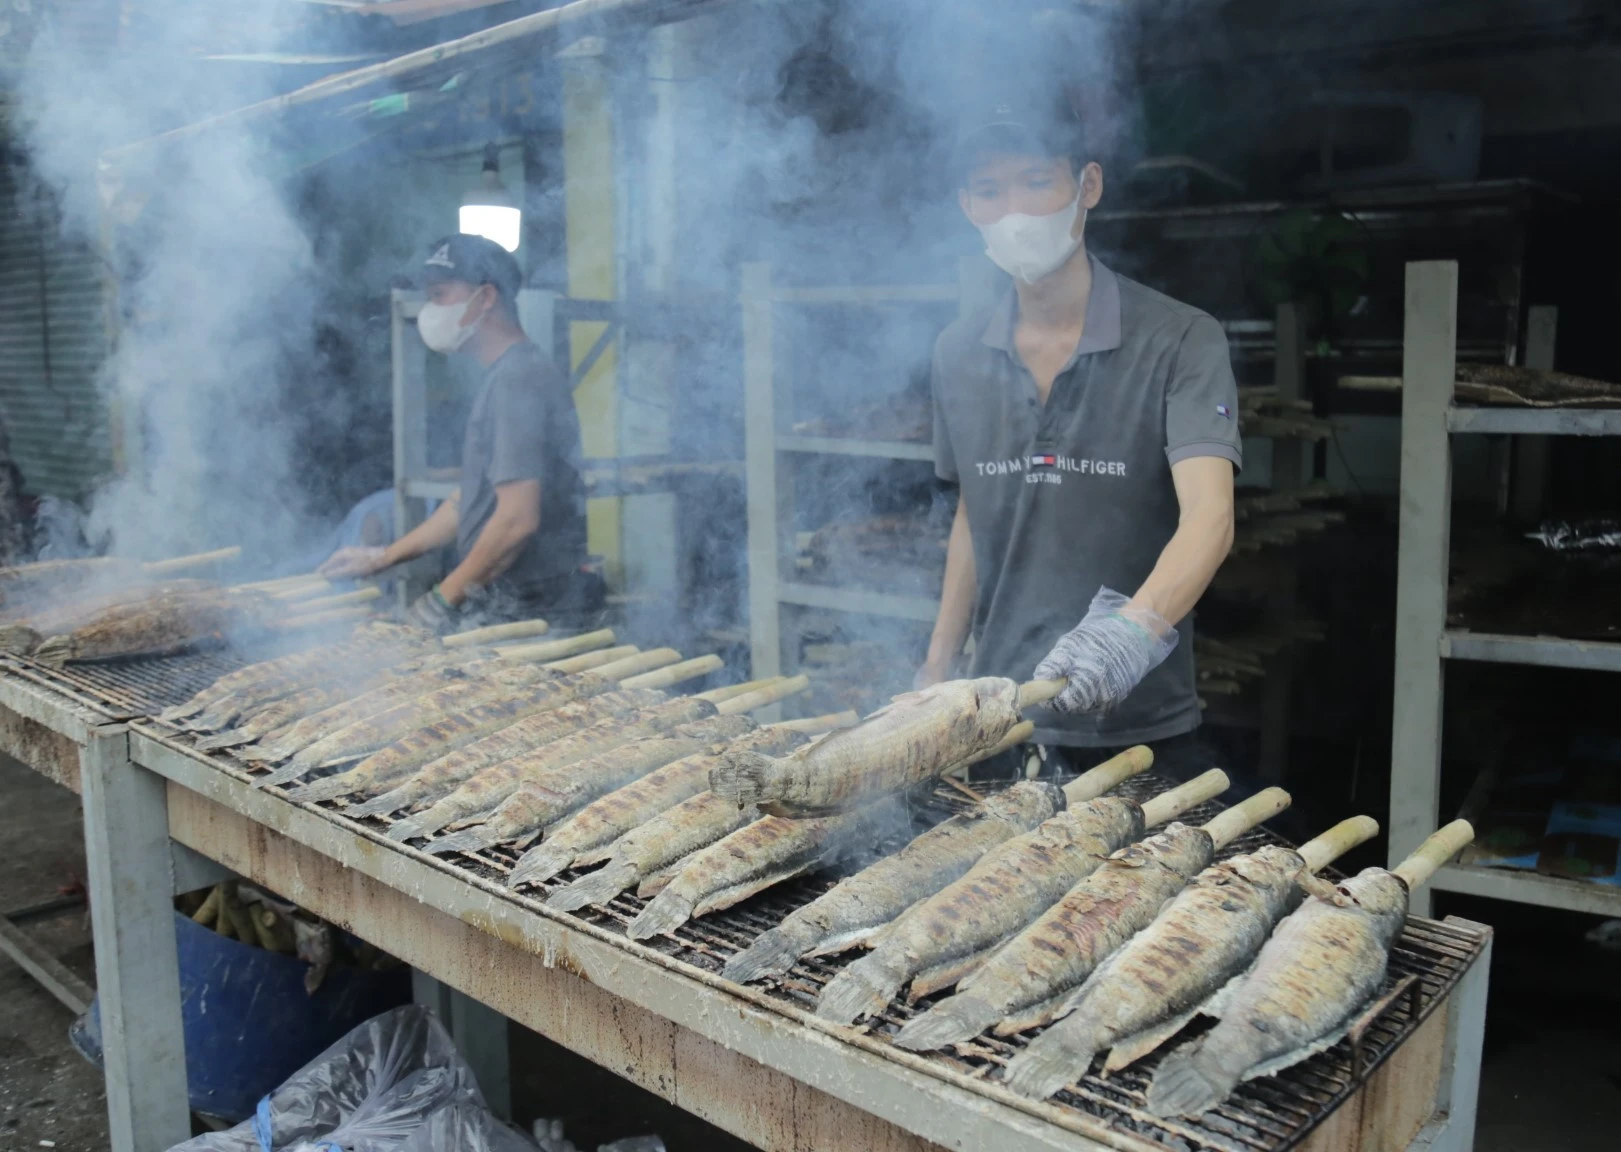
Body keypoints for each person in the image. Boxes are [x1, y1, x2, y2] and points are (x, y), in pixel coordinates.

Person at [917, 94, 1240, 781]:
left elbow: (1209, 518)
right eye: (989, 190)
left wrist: (1132, 632)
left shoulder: (1180, 337)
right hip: (999, 721)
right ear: (965, 206)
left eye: (1037, 182)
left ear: (1086, 186)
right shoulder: (955, 352)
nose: (1014, 211)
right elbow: (974, 516)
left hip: (1138, 725)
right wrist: (937, 669)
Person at [320, 235, 594, 632]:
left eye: (439, 295)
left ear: (485, 299)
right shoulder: (504, 376)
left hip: (534, 614)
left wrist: (439, 602)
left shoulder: (518, 379)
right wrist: (383, 556)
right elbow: (468, 501)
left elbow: (517, 519)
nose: (430, 310)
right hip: (512, 604)